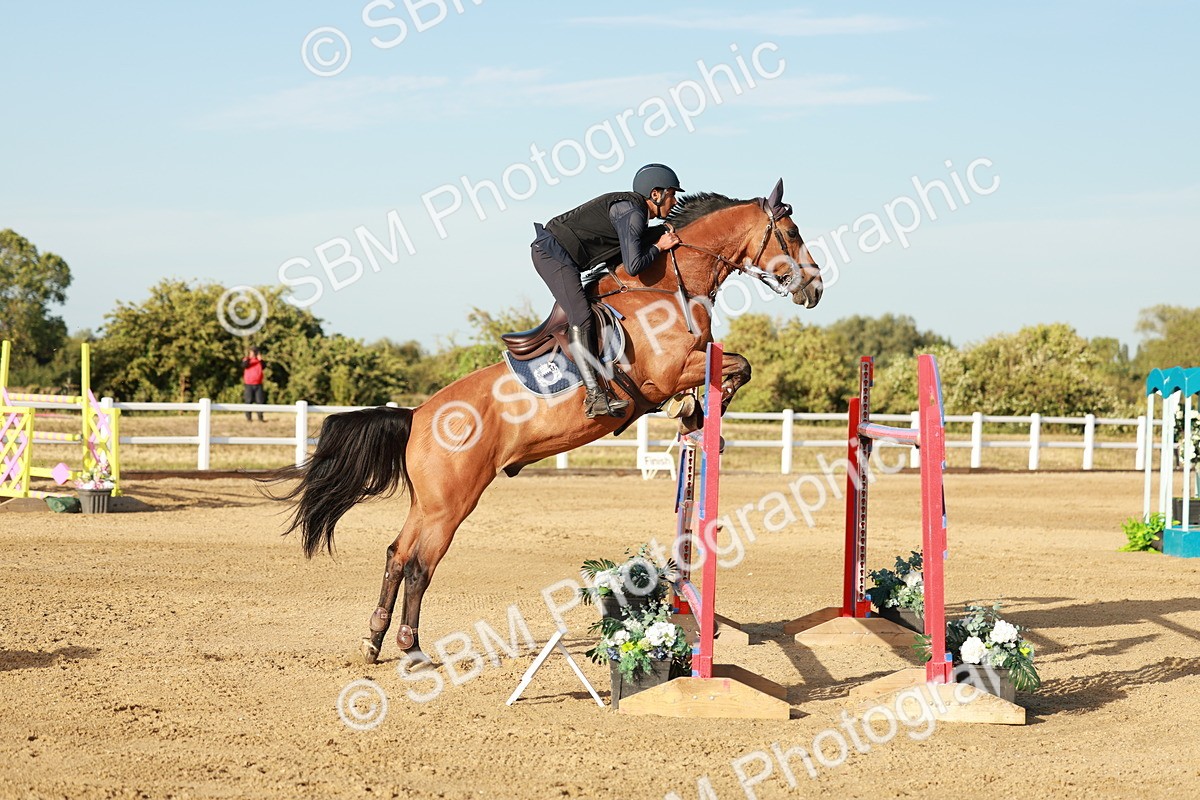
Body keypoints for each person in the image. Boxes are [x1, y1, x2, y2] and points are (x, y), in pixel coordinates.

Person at [531, 163, 683, 418]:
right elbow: (634, 265)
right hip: (551, 254)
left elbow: (632, 243)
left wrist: (658, 233)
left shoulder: (634, 211)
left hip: (564, 256)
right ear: (656, 194)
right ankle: (594, 397)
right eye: (672, 194)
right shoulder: (632, 212)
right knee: (581, 317)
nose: (675, 201)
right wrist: (660, 246)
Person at [241, 346, 266, 422]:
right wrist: (249, 357)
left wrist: (260, 359)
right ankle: (249, 418)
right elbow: (244, 365)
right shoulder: (246, 359)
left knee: (260, 401)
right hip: (249, 384)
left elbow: (264, 366)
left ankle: (260, 418)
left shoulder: (259, 361)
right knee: (248, 401)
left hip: (258, 384)